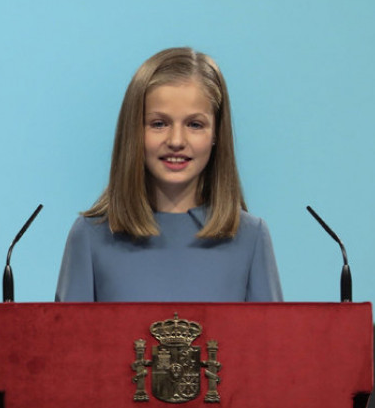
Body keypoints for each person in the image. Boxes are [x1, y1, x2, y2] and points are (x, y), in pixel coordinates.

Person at [55, 47, 282, 302]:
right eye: (159, 124)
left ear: (217, 133)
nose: (176, 141)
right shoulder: (89, 237)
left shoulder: (251, 238)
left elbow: (269, 342)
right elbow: (69, 341)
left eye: (195, 124)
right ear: (134, 132)